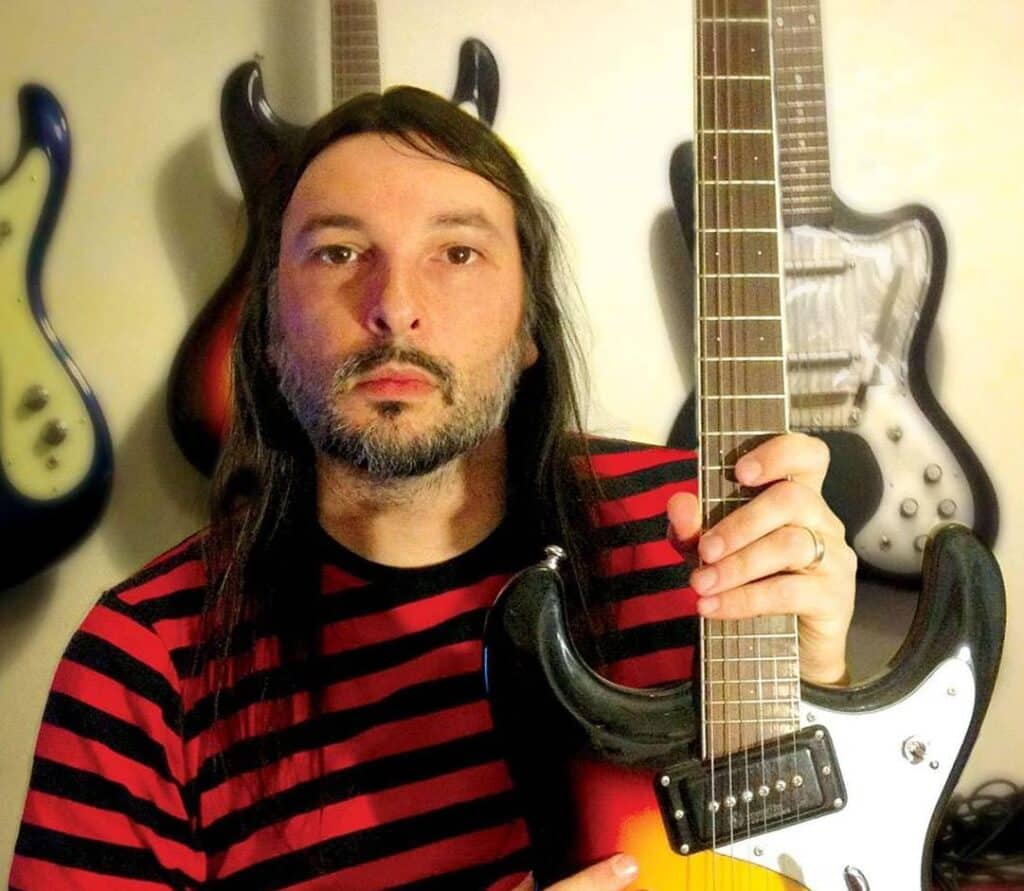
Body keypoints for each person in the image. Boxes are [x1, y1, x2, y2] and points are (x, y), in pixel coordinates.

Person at [9, 87, 855, 890]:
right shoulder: (142, 663)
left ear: (529, 324)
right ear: (264, 326)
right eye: (339, 252)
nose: (395, 306)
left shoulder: (702, 533)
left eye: (456, 252)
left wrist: (822, 685)